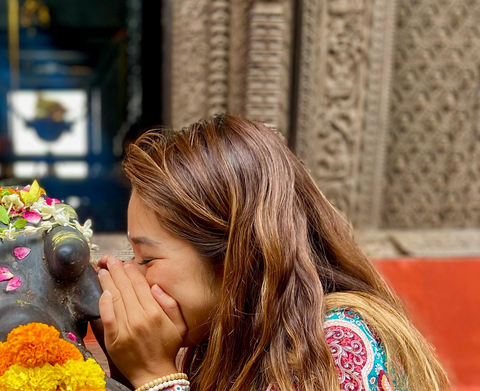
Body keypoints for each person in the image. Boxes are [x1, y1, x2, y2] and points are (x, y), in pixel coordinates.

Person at [93, 115, 447, 391]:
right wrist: (129, 367)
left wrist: (155, 376)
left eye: (147, 259)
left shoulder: (339, 345)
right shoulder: (223, 341)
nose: (133, 274)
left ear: (232, 257)